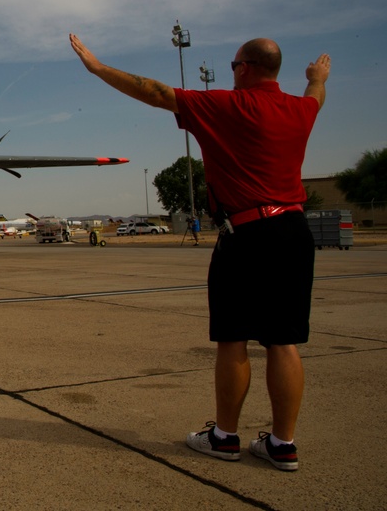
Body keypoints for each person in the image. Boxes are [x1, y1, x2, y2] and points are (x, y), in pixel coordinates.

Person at [70, 33, 330, 471]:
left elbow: (155, 92)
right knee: (284, 342)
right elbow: (315, 98)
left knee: (233, 339)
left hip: (246, 234)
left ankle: (225, 437)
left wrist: (98, 68)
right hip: (294, 230)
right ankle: (283, 445)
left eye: (232, 65)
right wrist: (317, 78)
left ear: (244, 68)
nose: (231, 72)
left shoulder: (226, 105)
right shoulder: (301, 110)